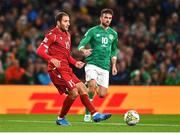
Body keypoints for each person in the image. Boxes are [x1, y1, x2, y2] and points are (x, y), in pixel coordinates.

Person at [36, 11, 111, 126]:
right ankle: (61, 118)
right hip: (56, 70)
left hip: (67, 69)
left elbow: (66, 55)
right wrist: (51, 59)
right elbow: (40, 50)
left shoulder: (68, 35)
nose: (68, 23)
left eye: (69, 21)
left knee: (82, 88)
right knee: (74, 93)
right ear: (58, 22)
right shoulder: (52, 35)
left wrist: (75, 63)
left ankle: (95, 114)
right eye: (65, 21)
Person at [78, 8, 118, 122]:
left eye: (110, 18)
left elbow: (114, 50)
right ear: (101, 18)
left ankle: (88, 88)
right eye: (106, 17)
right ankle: (88, 113)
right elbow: (82, 43)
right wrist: (83, 50)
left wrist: (114, 65)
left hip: (105, 66)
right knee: (92, 86)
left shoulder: (113, 34)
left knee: (102, 94)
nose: (108, 20)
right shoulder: (93, 31)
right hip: (92, 64)